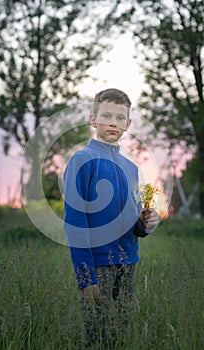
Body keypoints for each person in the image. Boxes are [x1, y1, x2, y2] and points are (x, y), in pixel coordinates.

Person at [64, 88, 158, 349]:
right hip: (98, 266)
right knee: (98, 336)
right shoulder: (82, 160)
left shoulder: (131, 168)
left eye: (120, 118)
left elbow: (134, 223)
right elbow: (75, 221)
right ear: (93, 119)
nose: (113, 123)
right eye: (106, 115)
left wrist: (145, 223)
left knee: (120, 335)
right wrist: (86, 276)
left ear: (128, 124)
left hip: (129, 263)